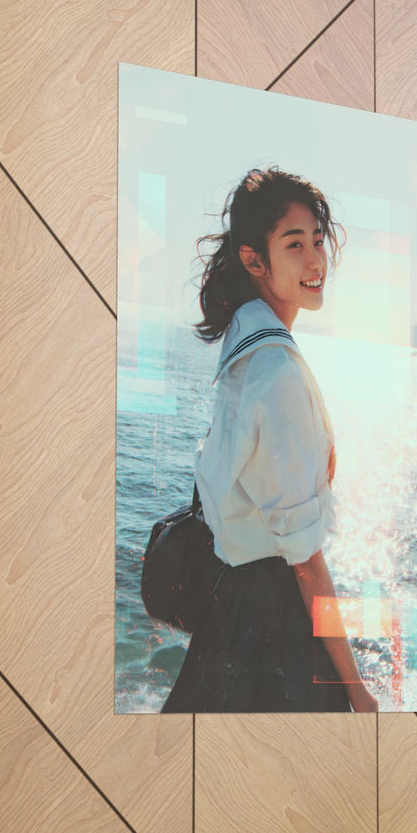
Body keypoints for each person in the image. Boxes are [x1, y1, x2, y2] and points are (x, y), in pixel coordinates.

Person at [161, 167, 377, 714]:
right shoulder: (277, 373)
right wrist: (357, 690)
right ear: (255, 260)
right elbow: (305, 564)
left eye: (318, 240)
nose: (314, 259)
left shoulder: (243, 344)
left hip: (231, 618)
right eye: (294, 243)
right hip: (276, 633)